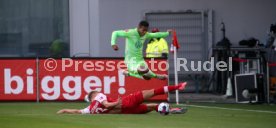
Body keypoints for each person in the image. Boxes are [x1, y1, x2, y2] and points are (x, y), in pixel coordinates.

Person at [57, 82, 187, 114]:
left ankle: (171, 110)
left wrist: (64, 110)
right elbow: (107, 105)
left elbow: (77, 111)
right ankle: (178, 86)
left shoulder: (90, 109)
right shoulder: (99, 96)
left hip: (126, 111)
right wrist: (117, 102)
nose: (97, 91)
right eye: (95, 91)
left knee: (153, 107)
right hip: (126, 101)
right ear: (93, 95)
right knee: (153, 92)